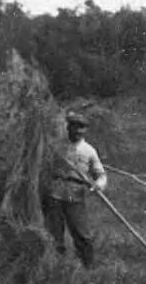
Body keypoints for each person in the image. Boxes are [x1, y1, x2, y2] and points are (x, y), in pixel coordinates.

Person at [43, 112, 108, 270]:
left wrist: (99, 185)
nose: (78, 131)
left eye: (82, 128)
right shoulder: (56, 146)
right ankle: (56, 267)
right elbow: (44, 166)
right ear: (68, 127)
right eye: (75, 127)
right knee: (54, 233)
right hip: (55, 193)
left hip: (75, 194)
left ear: (85, 130)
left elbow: (100, 174)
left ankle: (89, 267)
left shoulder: (89, 151)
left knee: (82, 234)